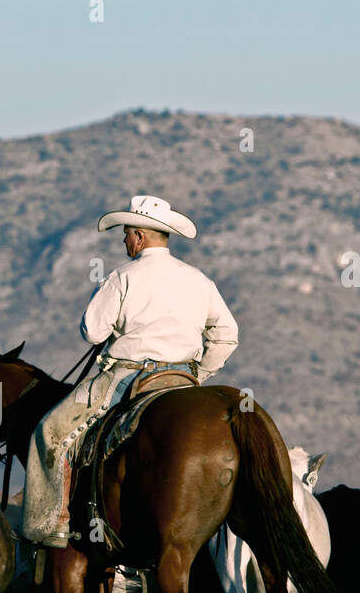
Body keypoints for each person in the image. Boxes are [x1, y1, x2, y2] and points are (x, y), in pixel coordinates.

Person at [20, 194, 239, 548]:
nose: (124, 240)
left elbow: (92, 332)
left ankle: (51, 525)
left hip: (127, 376)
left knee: (50, 433)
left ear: (139, 236)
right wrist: (201, 374)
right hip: (184, 378)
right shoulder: (199, 280)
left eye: (126, 233)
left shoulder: (122, 277)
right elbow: (228, 335)